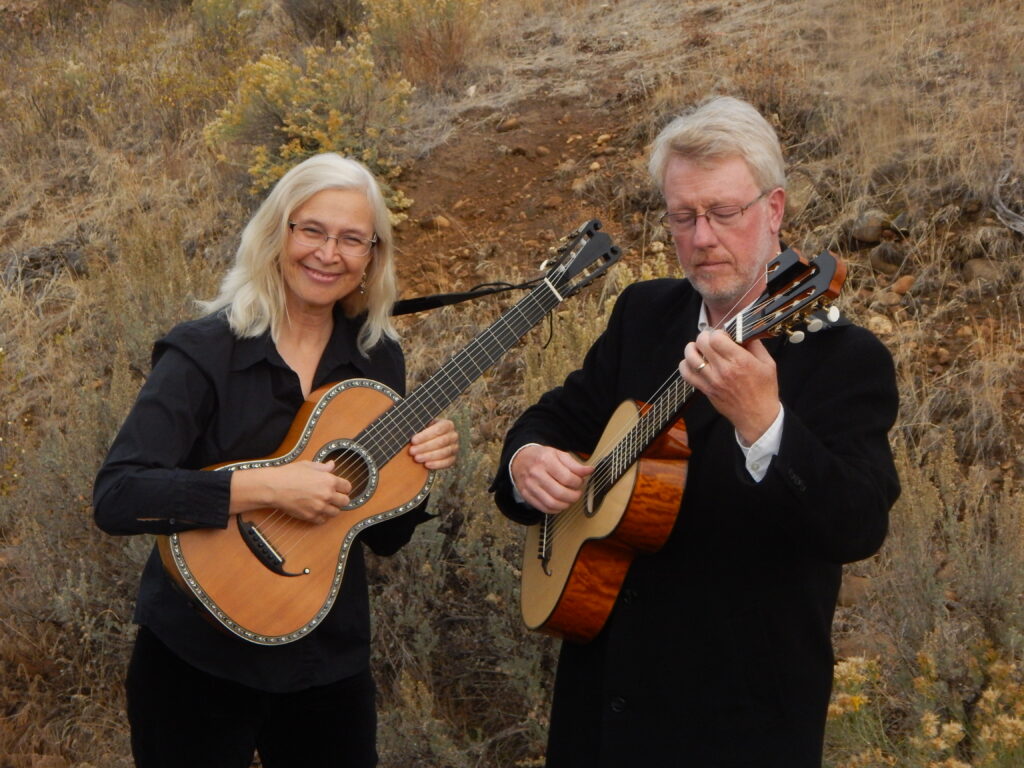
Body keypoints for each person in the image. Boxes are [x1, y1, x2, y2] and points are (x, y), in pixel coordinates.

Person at [491, 96, 900, 767]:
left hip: (737, 726)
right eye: (684, 216)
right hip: (601, 711)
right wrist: (527, 460)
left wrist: (764, 423)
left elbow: (857, 525)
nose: (702, 237)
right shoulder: (646, 313)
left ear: (773, 212)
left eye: (723, 213)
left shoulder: (842, 359)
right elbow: (556, 414)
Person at [93, 153, 459, 768]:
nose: (327, 253)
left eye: (351, 239)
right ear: (276, 234)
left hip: (326, 662)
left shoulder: (377, 361)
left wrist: (417, 469)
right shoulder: (203, 352)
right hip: (195, 656)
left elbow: (384, 534)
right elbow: (120, 495)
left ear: (372, 257)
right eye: (311, 229)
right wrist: (264, 487)